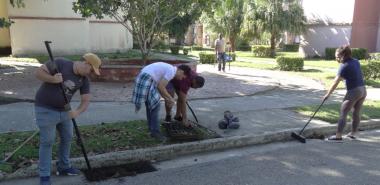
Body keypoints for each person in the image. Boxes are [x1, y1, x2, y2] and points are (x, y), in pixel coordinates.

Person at [34, 53, 101, 185]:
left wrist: (77, 112)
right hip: (45, 109)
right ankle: (44, 176)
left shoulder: (84, 80)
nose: (91, 73)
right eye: (91, 70)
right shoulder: (60, 63)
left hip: (65, 111)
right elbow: (38, 73)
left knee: (67, 137)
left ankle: (63, 167)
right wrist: (53, 79)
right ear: (86, 63)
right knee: (47, 142)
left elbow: (86, 99)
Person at [132, 62, 191, 141]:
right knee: (155, 105)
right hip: (146, 78)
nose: (181, 79)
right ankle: (155, 132)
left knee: (152, 104)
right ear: (181, 72)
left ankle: (152, 130)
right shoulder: (171, 71)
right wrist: (170, 98)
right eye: (183, 77)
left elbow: (160, 88)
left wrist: (168, 98)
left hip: (146, 78)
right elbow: (161, 87)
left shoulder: (170, 69)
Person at [323, 45, 366, 141]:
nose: (336, 59)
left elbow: (335, 82)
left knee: (343, 113)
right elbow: (354, 73)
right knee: (356, 113)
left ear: (344, 55)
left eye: (338, 57)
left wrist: (328, 94)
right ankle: (353, 133)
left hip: (354, 91)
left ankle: (338, 136)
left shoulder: (343, 66)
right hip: (363, 90)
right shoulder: (356, 61)